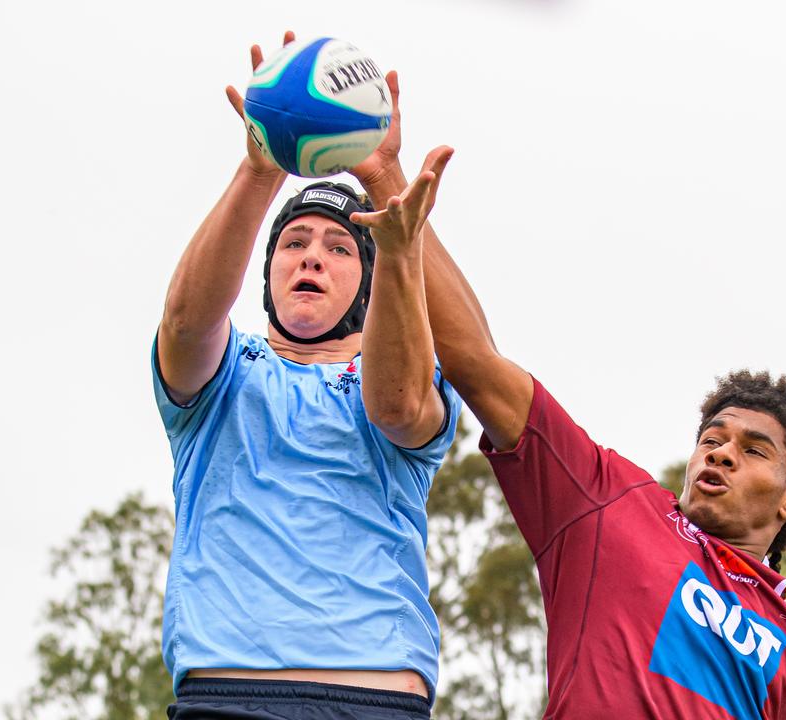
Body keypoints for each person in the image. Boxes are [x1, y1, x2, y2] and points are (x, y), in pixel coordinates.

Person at [356, 69, 786, 720]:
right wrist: (387, 178)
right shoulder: (613, 501)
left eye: (753, 450)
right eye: (712, 439)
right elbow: (478, 363)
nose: (719, 454)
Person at [151, 33, 461, 720]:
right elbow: (184, 324)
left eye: (338, 245)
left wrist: (388, 194)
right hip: (225, 693)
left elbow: (400, 409)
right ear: (265, 275)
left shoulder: (408, 365)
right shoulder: (225, 373)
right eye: (293, 243)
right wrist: (261, 171)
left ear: (369, 277)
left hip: (373, 695)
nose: (310, 256)